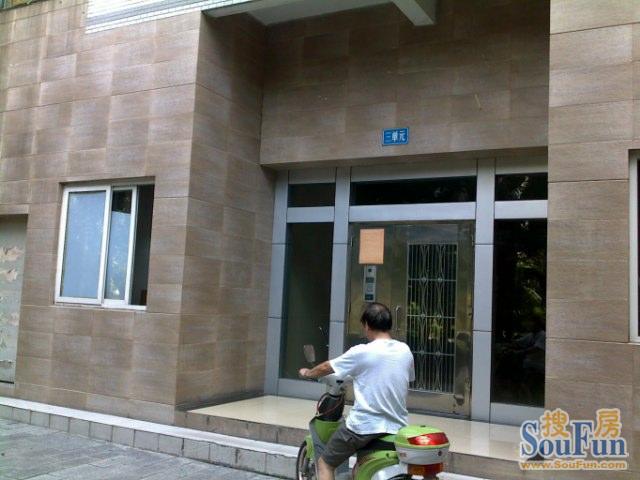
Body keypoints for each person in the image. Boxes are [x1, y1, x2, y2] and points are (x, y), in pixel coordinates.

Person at [298, 303, 415, 480]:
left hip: (363, 427)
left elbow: (326, 367)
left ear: (367, 325)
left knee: (325, 463)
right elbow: (405, 377)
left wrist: (308, 373)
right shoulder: (404, 350)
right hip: (396, 427)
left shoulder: (361, 351)